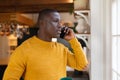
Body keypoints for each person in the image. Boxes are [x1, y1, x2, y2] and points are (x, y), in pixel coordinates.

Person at [3, 9, 88, 80]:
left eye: (60, 22)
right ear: (42, 23)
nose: (60, 26)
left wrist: (73, 40)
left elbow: (82, 65)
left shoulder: (61, 49)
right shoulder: (23, 50)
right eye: (55, 21)